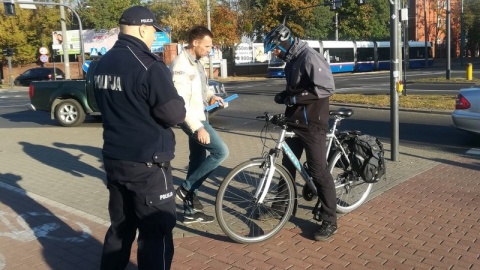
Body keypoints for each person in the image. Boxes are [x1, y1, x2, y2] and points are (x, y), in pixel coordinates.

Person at [93, 6, 186, 270]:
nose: (153, 37)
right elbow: (173, 114)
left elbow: (98, 102)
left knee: (120, 228)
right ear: (144, 28)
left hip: (114, 159)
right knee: (156, 233)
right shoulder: (149, 64)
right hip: (148, 165)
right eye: (153, 32)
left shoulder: (103, 62)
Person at [263, 24, 338, 241]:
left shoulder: (309, 57)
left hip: (312, 123)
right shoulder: (292, 61)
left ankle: (329, 219)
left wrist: (295, 98)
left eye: (276, 48)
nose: (274, 53)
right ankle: (282, 207)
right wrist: (284, 95)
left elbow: (325, 88)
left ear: (285, 43)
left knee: (318, 171)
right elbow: (296, 88)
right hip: (294, 121)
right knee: (288, 165)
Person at [169, 26, 229, 224]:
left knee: (196, 161)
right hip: (193, 119)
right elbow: (180, 103)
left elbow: (201, 89)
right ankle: (185, 189)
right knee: (221, 152)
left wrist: (213, 96)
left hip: (200, 115)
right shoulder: (180, 65)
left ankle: (190, 212)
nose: (209, 50)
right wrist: (198, 127)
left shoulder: (196, 62)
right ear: (195, 43)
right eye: (207, 46)